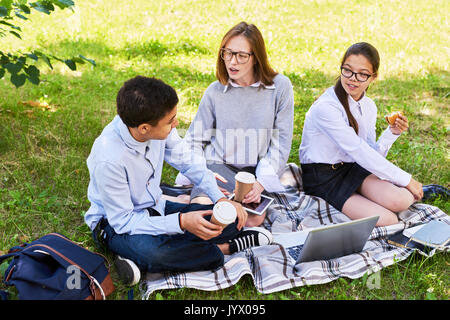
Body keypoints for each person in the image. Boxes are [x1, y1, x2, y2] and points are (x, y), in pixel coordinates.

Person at [84, 76, 272, 286]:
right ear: (145, 128)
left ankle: (143, 256)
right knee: (154, 253)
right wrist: (182, 222)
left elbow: (188, 161)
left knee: (229, 221)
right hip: (117, 225)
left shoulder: (150, 126)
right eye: (170, 120)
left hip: (155, 206)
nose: (177, 123)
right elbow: (124, 221)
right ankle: (224, 249)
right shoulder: (109, 159)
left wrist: (220, 199)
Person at [175, 21, 294, 227]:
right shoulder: (215, 91)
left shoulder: (280, 87)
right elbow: (193, 140)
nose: (232, 62)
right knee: (204, 213)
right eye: (227, 53)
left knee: (251, 220)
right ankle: (194, 206)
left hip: (253, 172)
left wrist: (260, 183)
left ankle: (185, 204)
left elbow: (281, 143)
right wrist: (202, 176)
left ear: (256, 58)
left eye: (241, 55)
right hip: (218, 166)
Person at [299, 42, 424, 227]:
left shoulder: (368, 106)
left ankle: (366, 195)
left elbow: (369, 153)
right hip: (324, 177)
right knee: (388, 219)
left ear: (373, 77)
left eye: (362, 74)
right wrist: (407, 179)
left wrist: (392, 133)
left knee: (402, 200)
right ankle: (361, 199)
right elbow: (358, 150)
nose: (353, 79)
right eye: (347, 70)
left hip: (353, 167)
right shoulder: (326, 108)